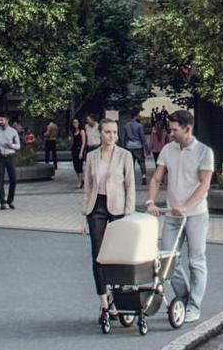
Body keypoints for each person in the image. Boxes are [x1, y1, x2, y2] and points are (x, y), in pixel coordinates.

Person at [143, 109, 213, 328]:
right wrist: (151, 202)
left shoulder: (204, 152)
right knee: (169, 259)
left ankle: (194, 305)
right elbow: (156, 178)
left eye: (175, 130)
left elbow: (204, 186)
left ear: (187, 129)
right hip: (172, 215)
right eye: (170, 129)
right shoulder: (167, 149)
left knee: (196, 260)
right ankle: (182, 298)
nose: (171, 133)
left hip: (196, 215)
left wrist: (185, 205)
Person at [77, 112, 135, 313]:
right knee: (98, 255)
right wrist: (84, 216)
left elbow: (130, 186)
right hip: (96, 207)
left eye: (114, 133)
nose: (112, 136)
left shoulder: (125, 155)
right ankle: (104, 301)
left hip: (118, 207)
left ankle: (117, 295)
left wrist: (129, 214)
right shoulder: (92, 156)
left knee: (118, 255)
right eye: (108, 132)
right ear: (100, 134)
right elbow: (88, 187)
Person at [0, 117, 21, 211]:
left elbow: (18, 146)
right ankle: (3, 202)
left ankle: (10, 200)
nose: (0, 122)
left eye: (2, 120)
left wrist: (11, 145)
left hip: (10, 156)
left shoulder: (13, 131)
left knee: (13, 179)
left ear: (7, 120)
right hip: (0, 157)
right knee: (0, 180)